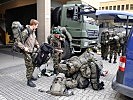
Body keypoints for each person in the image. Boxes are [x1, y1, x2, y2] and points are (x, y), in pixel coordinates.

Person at [16, 19, 40, 87]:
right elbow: (18, 42)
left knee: (34, 64)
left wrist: (37, 44)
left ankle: (31, 75)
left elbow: (34, 39)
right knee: (29, 66)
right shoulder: (26, 31)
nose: (37, 27)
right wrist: (24, 48)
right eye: (37, 26)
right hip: (27, 52)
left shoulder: (33, 31)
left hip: (32, 51)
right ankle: (29, 81)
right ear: (33, 25)